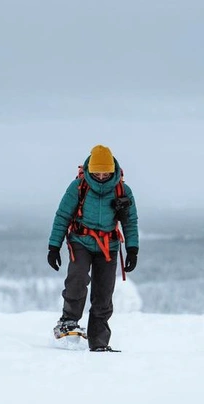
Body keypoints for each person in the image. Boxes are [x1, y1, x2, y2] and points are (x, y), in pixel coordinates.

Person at [47, 144, 139, 352]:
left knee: (104, 294)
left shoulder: (123, 190)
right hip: (81, 240)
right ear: (89, 169)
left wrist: (133, 249)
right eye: (97, 171)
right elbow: (62, 216)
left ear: (113, 169)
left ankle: (99, 342)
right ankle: (68, 321)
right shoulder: (78, 187)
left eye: (105, 171)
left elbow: (130, 221)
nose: (101, 175)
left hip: (109, 245)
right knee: (77, 280)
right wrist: (54, 246)